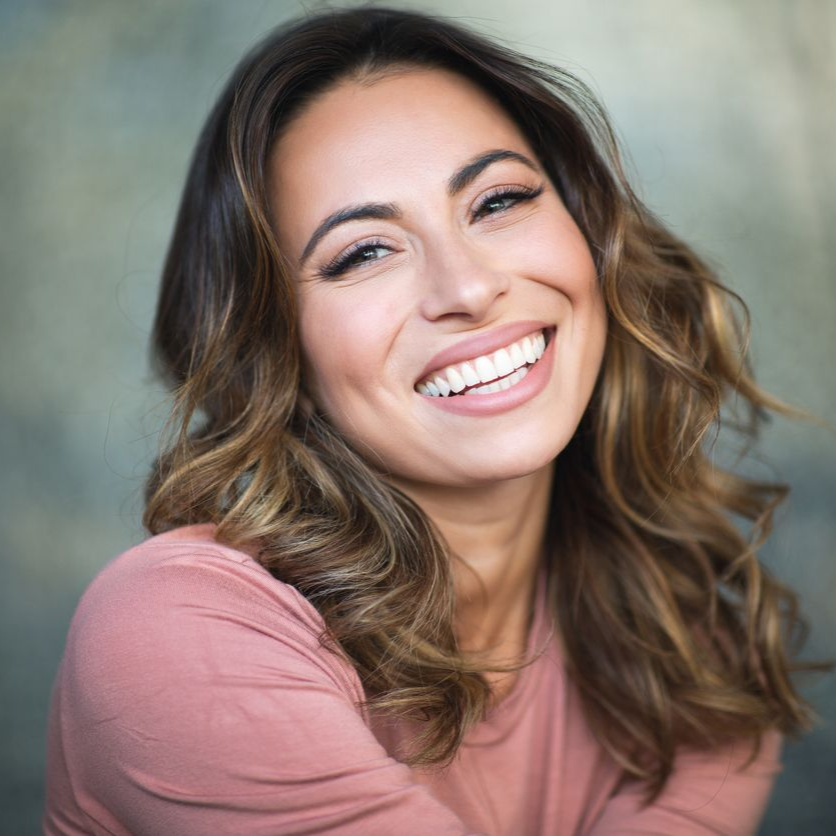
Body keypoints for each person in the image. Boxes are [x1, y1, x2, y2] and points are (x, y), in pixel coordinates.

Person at [43, 6, 825, 834]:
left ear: (592, 234)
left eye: (498, 201)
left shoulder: (695, 649)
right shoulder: (177, 633)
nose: (467, 288)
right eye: (363, 252)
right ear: (276, 353)